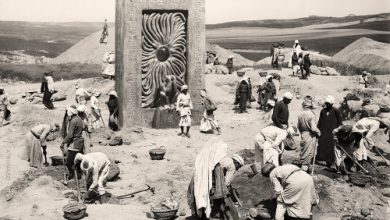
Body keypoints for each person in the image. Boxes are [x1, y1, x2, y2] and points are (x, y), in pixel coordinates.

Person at [187, 138, 244, 220]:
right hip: (213, 186)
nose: (237, 169)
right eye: (239, 166)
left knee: (203, 200)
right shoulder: (232, 166)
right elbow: (226, 183)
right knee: (225, 204)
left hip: (203, 183)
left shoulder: (219, 158)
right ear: (237, 163)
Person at [317, 96, 342, 167]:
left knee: (331, 146)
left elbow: (340, 122)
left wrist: (337, 131)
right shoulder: (323, 111)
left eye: (329, 103)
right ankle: (323, 159)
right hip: (324, 132)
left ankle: (330, 161)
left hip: (332, 132)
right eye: (326, 103)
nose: (327, 105)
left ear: (332, 103)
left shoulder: (336, 111)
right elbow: (320, 121)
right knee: (322, 145)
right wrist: (318, 130)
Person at [61, 105, 85, 180]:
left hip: (75, 143)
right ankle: (78, 176)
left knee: (69, 162)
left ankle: (72, 175)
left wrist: (63, 142)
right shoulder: (79, 119)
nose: (67, 112)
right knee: (78, 160)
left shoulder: (73, 121)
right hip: (80, 142)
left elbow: (70, 135)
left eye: (68, 111)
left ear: (71, 112)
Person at [297, 96, 321, 172]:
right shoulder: (311, 115)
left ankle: (304, 170)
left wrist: (302, 133)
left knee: (304, 152)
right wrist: (318, 132)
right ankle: (303, 172)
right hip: (310, 135)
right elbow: (313, 128)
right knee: (308, 154)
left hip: (304, 134)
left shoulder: (300, 114)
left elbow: (298, 126)